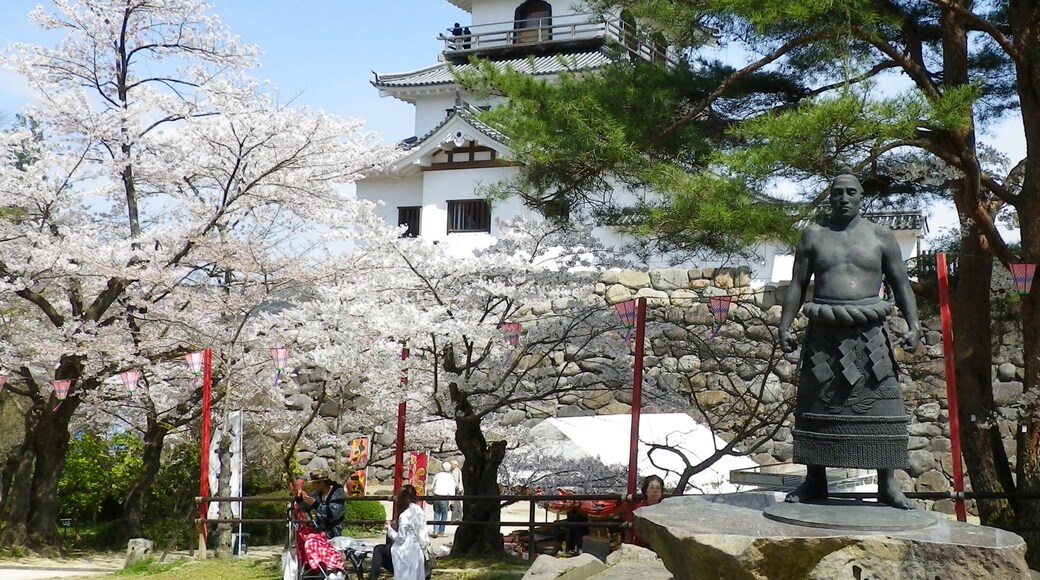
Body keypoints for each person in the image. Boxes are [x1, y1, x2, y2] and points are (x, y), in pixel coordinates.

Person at [778, 169, 921, 510]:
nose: (843, 198)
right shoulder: (813, 235)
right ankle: (815, 479)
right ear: (831, 198)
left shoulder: (881, 236)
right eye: (837, 193)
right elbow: (797, 284)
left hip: (869, 332)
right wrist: (784, 326)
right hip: (824, 331)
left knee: (882, 404)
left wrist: (914, 325)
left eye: (850, 193)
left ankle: (888, 483)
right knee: (818, 403)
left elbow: (901, 284)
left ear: (861, 197)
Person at [386, 484, 432, 580]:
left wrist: (389, 530)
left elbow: (400, 539)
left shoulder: (405, 515)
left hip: (407, 551)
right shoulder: (419, 510)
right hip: (418, 550)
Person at [295, 468, 346, 538]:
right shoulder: (317, 494)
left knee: (311, 540)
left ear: (321, 483)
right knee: (302, 536)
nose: (312, 486)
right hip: (318, 529)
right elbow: (305, 509)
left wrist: (315, 504)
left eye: (314, 483)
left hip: (333, 531)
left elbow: (332, 513)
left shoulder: (338, 493)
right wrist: (299, 498)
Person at [631, 475, 665, 547]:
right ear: (645, 491)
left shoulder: (665, 508)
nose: (655, 491)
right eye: (651, 488)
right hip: (643, 545)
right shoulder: (640, 509)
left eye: (658, 488)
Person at [429, 461, 455, 537]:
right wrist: (452, 501)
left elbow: (432, 486)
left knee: (436, 513)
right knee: (444, 514)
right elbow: (452, 490)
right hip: (445, 497)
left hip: (436, 495)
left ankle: (435, 530)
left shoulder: (438, 475)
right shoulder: (450, 477)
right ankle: (441, 531)